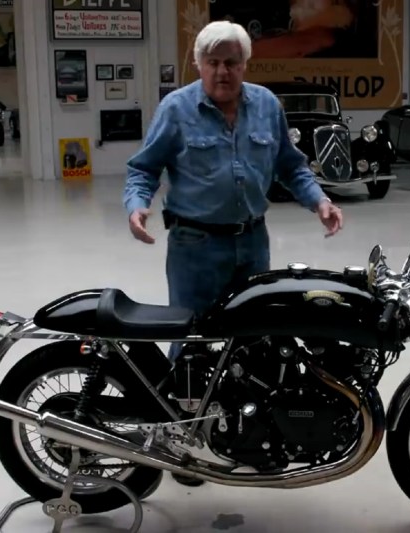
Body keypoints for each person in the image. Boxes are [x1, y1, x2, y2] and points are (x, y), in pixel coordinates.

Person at [122, 21, 344, 486]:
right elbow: (143, 169)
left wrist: (319, 201)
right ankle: (183, 446)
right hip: (195, 246)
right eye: (213, 62)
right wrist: (137, 206)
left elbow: (290, 165)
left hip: (252, 243)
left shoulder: (266, 105)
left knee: (254, 341)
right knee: (193, 342)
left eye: (232, 62)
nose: (223, 71)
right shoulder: (176, 108)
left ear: (245, 64)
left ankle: (246, 434)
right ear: (199, 64)